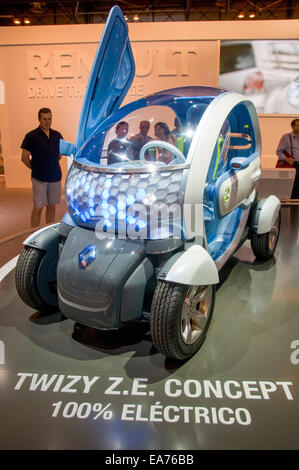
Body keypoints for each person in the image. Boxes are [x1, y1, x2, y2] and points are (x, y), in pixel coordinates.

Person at [21, 107, 63, 227]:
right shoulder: (31, 136)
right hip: (39, 178)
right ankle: (33, 235)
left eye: (49, 119)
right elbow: (24, 158)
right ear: (39, 119)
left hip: (55, 177)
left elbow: (59, 155)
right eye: (44, 119)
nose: (47, 122)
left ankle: (48, 232)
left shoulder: (57, 135)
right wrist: (35, 168)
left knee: (52, 206)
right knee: (38, 207)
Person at [276, 118, 299, 198]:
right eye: (298, 126)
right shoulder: (286, 137)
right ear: (292, 126)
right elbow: (279, 151)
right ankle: (292, 206)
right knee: (293, 187)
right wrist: (286, 159)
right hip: (293, 165)